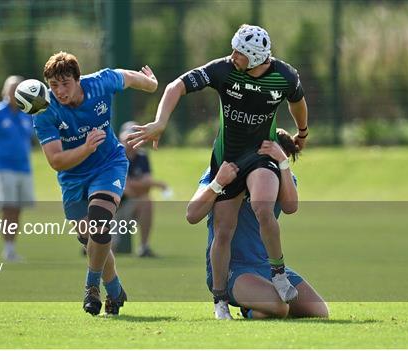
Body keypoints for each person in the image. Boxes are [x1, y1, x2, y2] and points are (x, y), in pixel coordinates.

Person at [128, 24, 309, 318]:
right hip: (229, 160)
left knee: (264, 208)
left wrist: (302, 131)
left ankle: (278, 272)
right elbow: (177, 86)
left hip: (260, 154)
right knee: (223, 230)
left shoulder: (284, 75)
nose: (233, 55)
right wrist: (161, 121)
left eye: (240, 52)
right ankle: (220, 300)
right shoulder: (224, 70)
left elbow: (298, 102)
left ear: (255, 58)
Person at [32, 52, 158, 316]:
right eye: (54, 86)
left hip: (109, 164)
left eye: (65, 83)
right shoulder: (44, 111)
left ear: (79, 79)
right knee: (90, 239)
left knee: (100, 225)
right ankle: (114, 287)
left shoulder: (100, 82)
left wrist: (152, 84)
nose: (60, 91)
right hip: (73, 177)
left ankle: (91, 287)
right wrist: (87, 148)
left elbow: (129, 77)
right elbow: (56, 160)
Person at [187, 129, 328, 319]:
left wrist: (283, 164)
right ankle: (249, 305)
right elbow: (192, 214)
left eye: (280, 160)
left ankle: (254, 308)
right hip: (233, 268)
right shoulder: (222, 170)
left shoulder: (281, 174)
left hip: (265, 265)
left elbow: (290, 207)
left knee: (318, 312)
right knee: (280, 308)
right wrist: (218, 183)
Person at [0, 75, 35, 261]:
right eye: (11, 89)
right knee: (8, 207)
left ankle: (12, 247)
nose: (14, 93)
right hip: (3, 168)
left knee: (17, 209)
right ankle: (8, 249)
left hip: (24, 168)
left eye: (18, 90)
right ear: (4, 91)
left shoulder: (27, 113)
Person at [114, 121, 169, 257]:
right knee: (106, 249)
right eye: (128, 139)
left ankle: (144, 247)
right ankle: (89, 244)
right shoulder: (114, 155)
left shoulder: (142, 156)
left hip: (129, 204)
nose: (131, 142)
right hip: (112, 209)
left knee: (146, 201)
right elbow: (124, 187)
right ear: (121, 139)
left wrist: (142, 185)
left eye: (134, 138)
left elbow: (145, 187)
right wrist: (156, 184)